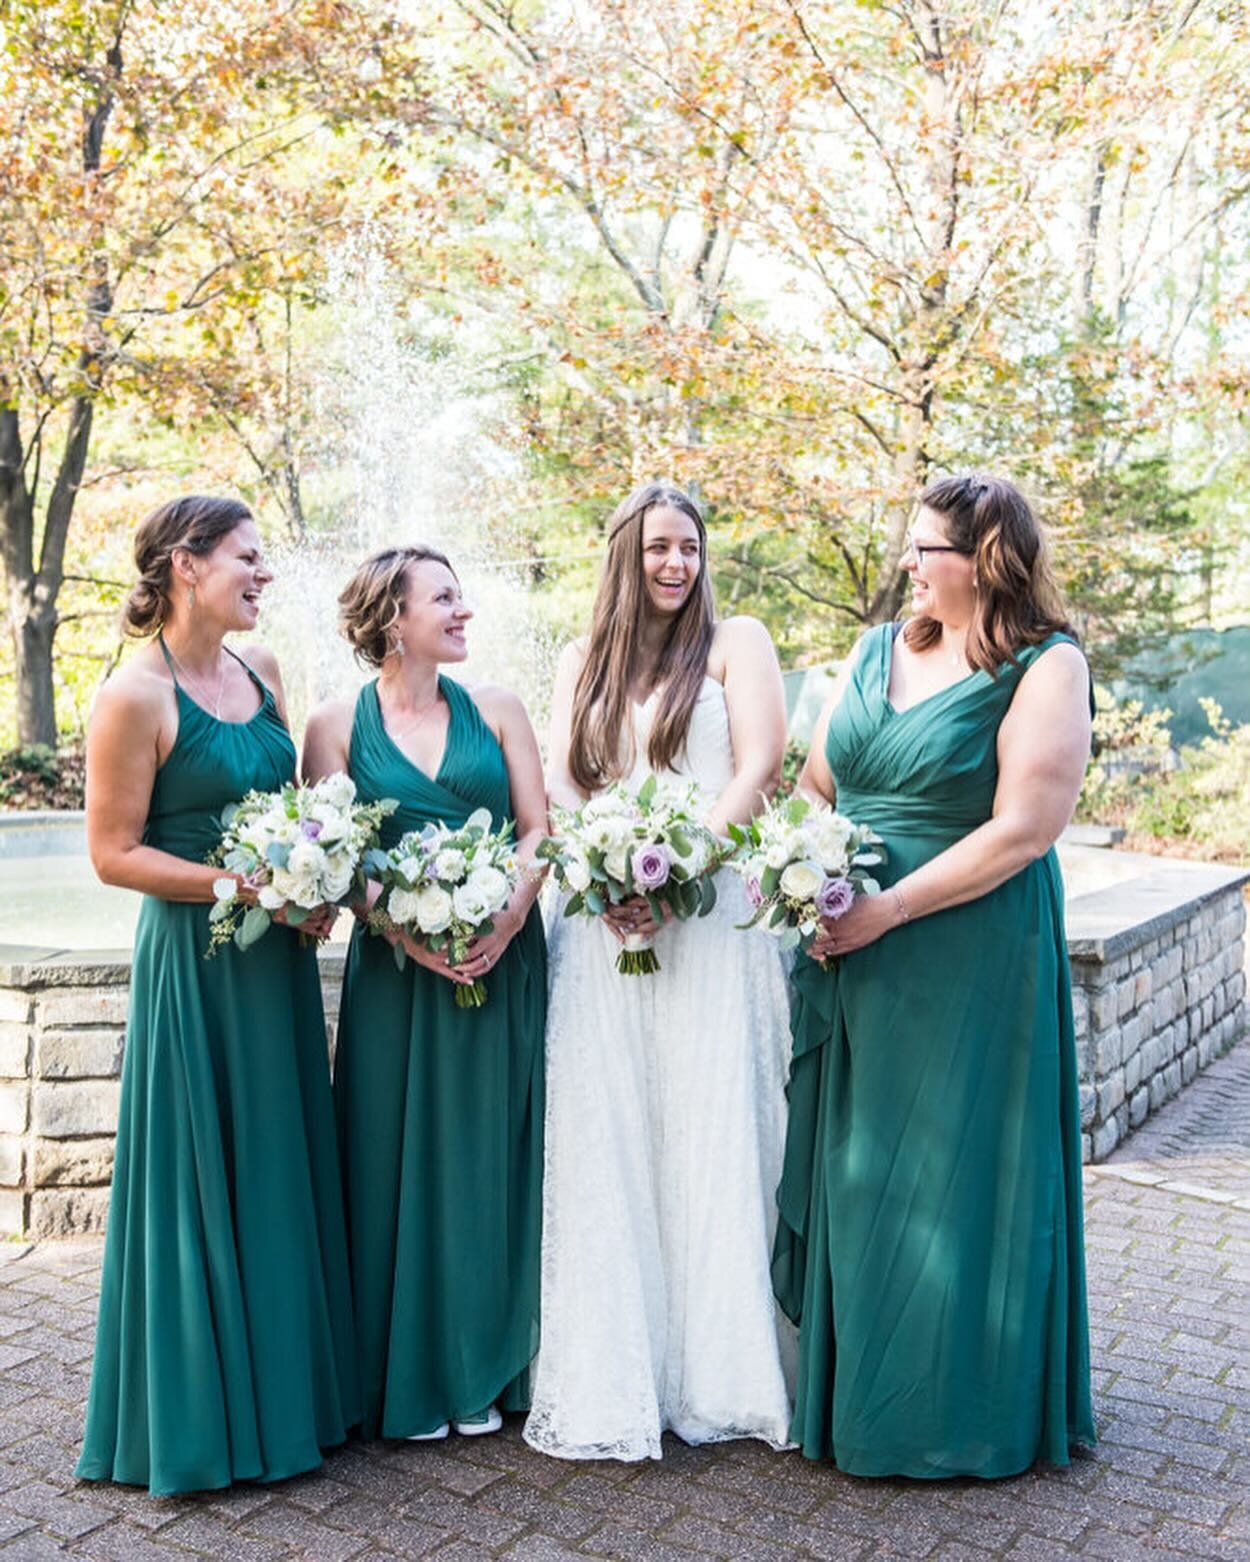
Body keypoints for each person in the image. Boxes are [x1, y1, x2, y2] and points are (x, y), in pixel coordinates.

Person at [774, 474, 1097, 1478]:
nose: (907, 564)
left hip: (963, 944)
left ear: (986, 555)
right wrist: (803, 883)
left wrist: (888, 907)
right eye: (908, 546)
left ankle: (958, 1411)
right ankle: (862, 1399)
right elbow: (811, 785)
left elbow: (1022, 829)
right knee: (862, 1176)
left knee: (959, 1168)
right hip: (851, 943)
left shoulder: (1044, 665)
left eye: (927, 549)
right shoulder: (873, 651)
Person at [77, 495, 359, 1495]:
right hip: (195, 965)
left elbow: (291, 811)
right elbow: (112, 853)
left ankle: (291, 1404)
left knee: (278, 1160)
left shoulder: (262, 670)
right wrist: (239, 884)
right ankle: (203, 1418)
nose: (264, 574)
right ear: (185, 565)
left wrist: (311, 884)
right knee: (201, 1175)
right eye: (247, 557)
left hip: (273, 960)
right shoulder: (132, 697)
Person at [524, 481, 795, 1462]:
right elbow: (562, 783)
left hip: (713, 918)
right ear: (623, 559)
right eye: (656, 549)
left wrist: (675, 866)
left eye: (687, 546)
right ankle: (621, 1365)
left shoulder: (736, 642)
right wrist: (609, 881)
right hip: (605, 930)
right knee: (615, 1131)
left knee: (715, 1121)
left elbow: (757, 765)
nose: (674, 563)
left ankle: (723, 1368)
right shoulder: (579, 661)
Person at [302, 545, 547, 1441]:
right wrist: (403, 928)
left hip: (498, 961)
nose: (465, 609)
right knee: (387, 1159)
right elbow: (329, 856)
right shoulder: (332, 726)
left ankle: (481, 1365)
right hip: (397, 981)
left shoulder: (500, 709)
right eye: (444, 598)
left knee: (484, 1162)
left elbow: (536, 831)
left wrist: (509, 919)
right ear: (393, 618)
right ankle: (400, 1374)